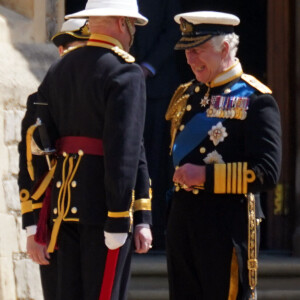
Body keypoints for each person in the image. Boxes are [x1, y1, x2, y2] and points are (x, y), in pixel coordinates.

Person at [23, 0, 153, 299]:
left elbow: (39, 144)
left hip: (61, 208)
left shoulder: (58, 68)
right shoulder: (125, 72)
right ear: (124, 23)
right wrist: (120, 216)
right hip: (103, 211)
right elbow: (124, 151)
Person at [165, 11, 281, 300]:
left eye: (198, 50)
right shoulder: (187, 95)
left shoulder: (256, 99)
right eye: (187, 51)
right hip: (183, 223)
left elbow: (266, 172)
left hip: (225, 227)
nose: (190, 59)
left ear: (225, 49)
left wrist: (205, 176)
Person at [18, 18, 90, 300]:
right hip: (55, 223)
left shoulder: (110, 94)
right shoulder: (39, 100)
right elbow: (29, 167)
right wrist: (35, 229)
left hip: (99, 219)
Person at [130, 0, 181, 249]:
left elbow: (175, 30)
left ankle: (157, 233)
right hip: (121, 87)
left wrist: (147, 67)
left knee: (157, 165)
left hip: (159, 91)